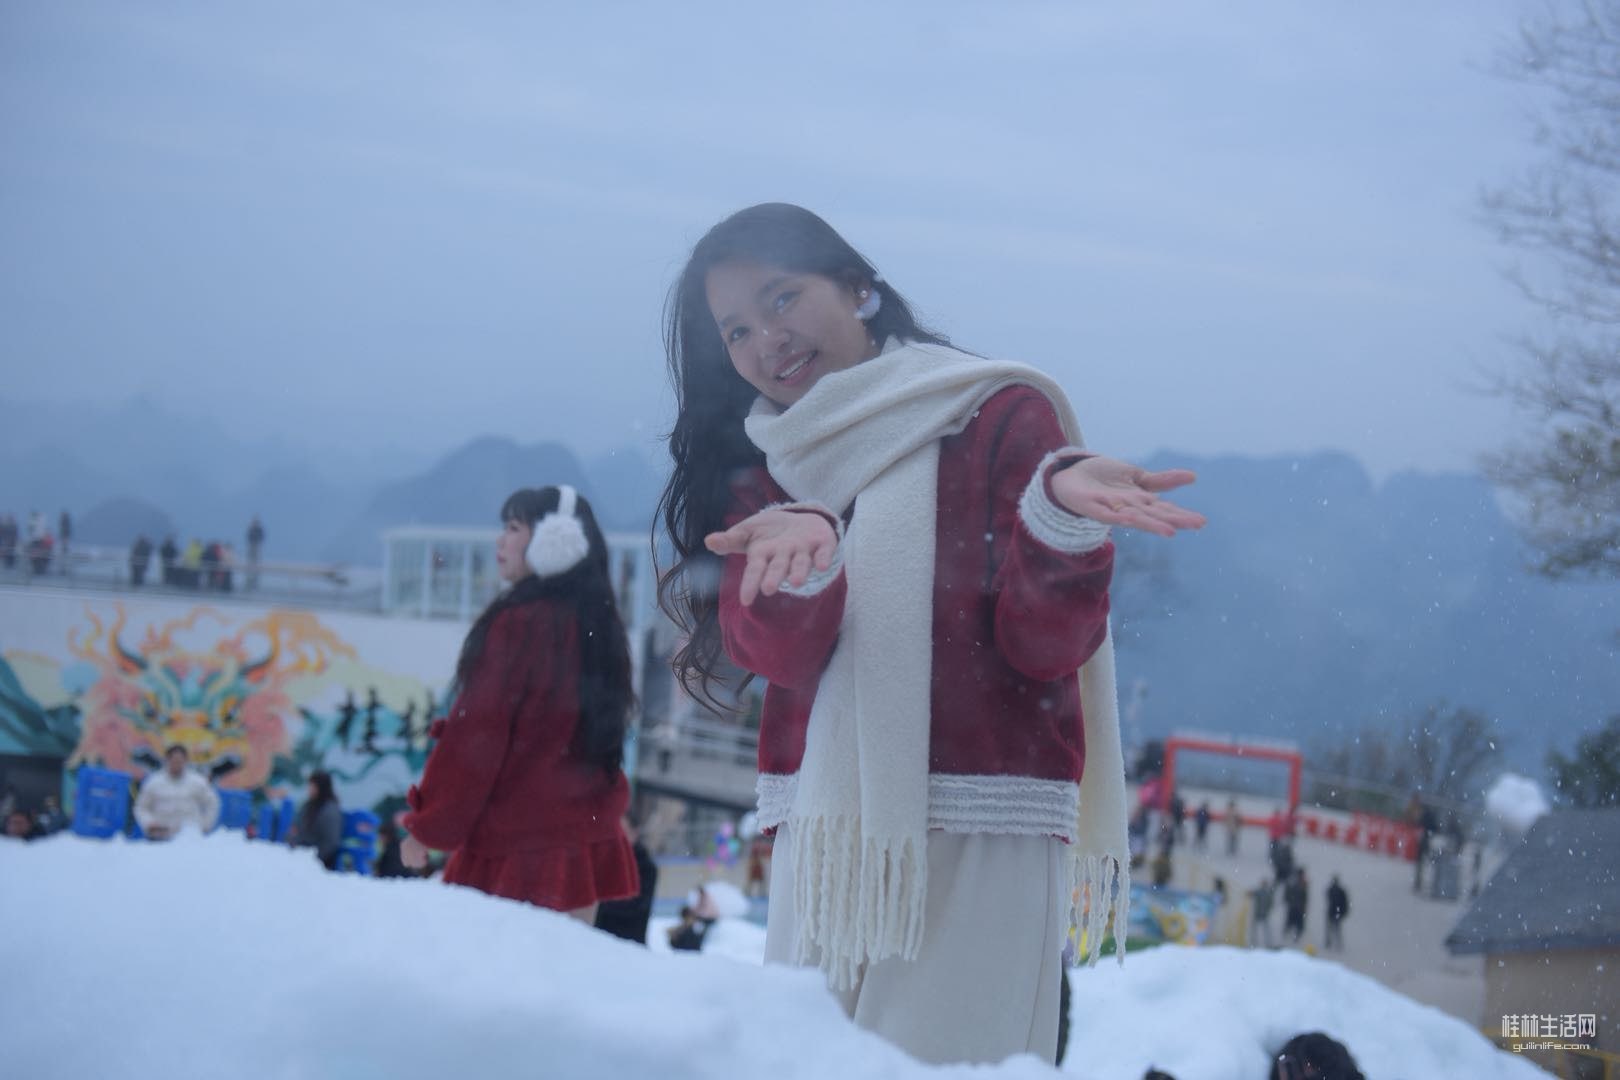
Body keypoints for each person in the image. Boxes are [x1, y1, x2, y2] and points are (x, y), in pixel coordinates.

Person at [653, 203, 1205, 1066]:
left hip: (986, 831)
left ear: (858, 288)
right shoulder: (772, 457)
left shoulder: (994, 412)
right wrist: (805, 565)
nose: (766, 340)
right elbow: (774, 656)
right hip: (829, 838)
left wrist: (1060, 521)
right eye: (737, 330)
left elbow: (1044, 646)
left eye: (782, 298)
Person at [399, 485, 640, 923]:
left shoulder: (518, 625)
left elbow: (476, 740)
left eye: (513, 528)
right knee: (563, 967)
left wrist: (428, 828)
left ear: (555, 540)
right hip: (582, 854)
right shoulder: (600, 625)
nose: (501, 540)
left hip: (516, 856)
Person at [594, 815, 659, 944]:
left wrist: (601, 902)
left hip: (628, 943)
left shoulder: (646, 867)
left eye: (623, 831)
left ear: (635, 833)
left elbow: (637, 904)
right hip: (601, 939)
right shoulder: (605, 861)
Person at [134, 745, 221, 838]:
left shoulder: (198, 782)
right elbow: (141, 807)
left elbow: (213, 804)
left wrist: (205, 826)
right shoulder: (154, 782)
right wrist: (149, 823)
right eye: (174, 761)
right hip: (161, 836)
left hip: (190, 837)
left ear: (186, 761)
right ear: (167, 760)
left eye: (180, 761)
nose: (177, 764)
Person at [287, 770, 344, 870]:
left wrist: (313, 859)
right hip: (301, 853)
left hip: (318, 861)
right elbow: (297, 827)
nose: (309, 789)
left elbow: (330, 842)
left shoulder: (329, 810)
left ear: (321, 788)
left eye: (312, 786)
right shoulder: (309, 805)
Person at [1269, 1032, 1365, 1080]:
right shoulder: (1288, 1060)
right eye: (1307, 1064)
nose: (1308, 1069)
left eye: (1313, 1067)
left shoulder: (1340, 1066)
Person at [1324, 874, 1349, 952]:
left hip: (1334, 912)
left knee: (1334, 928)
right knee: (1334, 928)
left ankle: (1333, 943)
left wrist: (1343, 912)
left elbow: (1344, 903)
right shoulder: (1337, 890)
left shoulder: (1335, 890)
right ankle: (1332, 942)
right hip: (1334, 912)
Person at [1283, 867, 1308, 945]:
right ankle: (1290, 938)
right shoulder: (1297, 882)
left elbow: (1304, 897)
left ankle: (1294, 938)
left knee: (1296, 924)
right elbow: (1289, 893)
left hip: (1297, 907)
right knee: (1293, 924)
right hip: (1295, 907)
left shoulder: (1301, 883)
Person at [1250, 877, 1276, 948]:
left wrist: (1268, 910)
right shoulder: (1262, 892)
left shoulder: (1267, 893)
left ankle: (1267, 944)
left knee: (1264, 930)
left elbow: (1271, 903)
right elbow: (1252, 893)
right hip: (1259, 913)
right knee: (1256, 929)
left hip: (1263, 914)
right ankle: (1254, 943)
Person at [246, 516, 265, 590]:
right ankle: (249, 579)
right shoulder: (251, 529)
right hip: (251, 546)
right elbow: (248, 536)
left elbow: (262, 536)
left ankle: (255, 580)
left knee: (256, 562)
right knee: (250, 561)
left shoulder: (259, 529)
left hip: (257, 546)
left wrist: (257, 540)